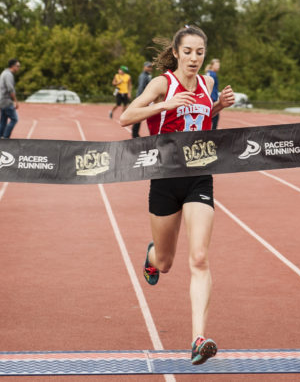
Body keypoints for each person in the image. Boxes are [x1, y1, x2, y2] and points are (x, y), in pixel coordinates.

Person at [119, 25, 235, 365]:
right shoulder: (162, 83)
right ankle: (152, 255)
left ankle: (198, 339)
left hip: (198, 176)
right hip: (165, 177)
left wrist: (218, 107)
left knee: (199, 257)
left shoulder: (207, 83)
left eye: (200, 52)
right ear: (177, 52)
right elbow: (126, 117)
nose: (195, 59)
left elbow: (199, 119)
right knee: (166, 263)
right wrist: (164, 104)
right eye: (188, 52)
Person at [0, 59, 20, 139]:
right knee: (14, 119)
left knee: (3, 121)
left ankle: (0, 138)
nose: (18, 68)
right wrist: (15, 101)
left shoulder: (4, 73)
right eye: (17, 66)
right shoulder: (8, 75)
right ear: (13, 66)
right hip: (6, 101)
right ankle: (5, 137)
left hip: (1, 100)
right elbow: (10, 89)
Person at [131, 62, 152, 138]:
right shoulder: (143, 76)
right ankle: (134, 134)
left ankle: (135, 133)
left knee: (141, 116)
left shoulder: (148, 75)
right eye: (148, 67)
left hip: (145, 98)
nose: (149, 68)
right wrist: (142, 99)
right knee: (139, 116)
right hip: (142, 98)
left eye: (150, 67)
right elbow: (141, 88)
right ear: (144, 67)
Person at [205, 59, 221, 129]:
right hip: (212, 98)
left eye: (219, 66)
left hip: (211, 97)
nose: (218, 67)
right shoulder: (212, 74)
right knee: (214, 117)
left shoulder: (209, 73)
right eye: (217, 65)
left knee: (211, 117)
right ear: (212, 65)